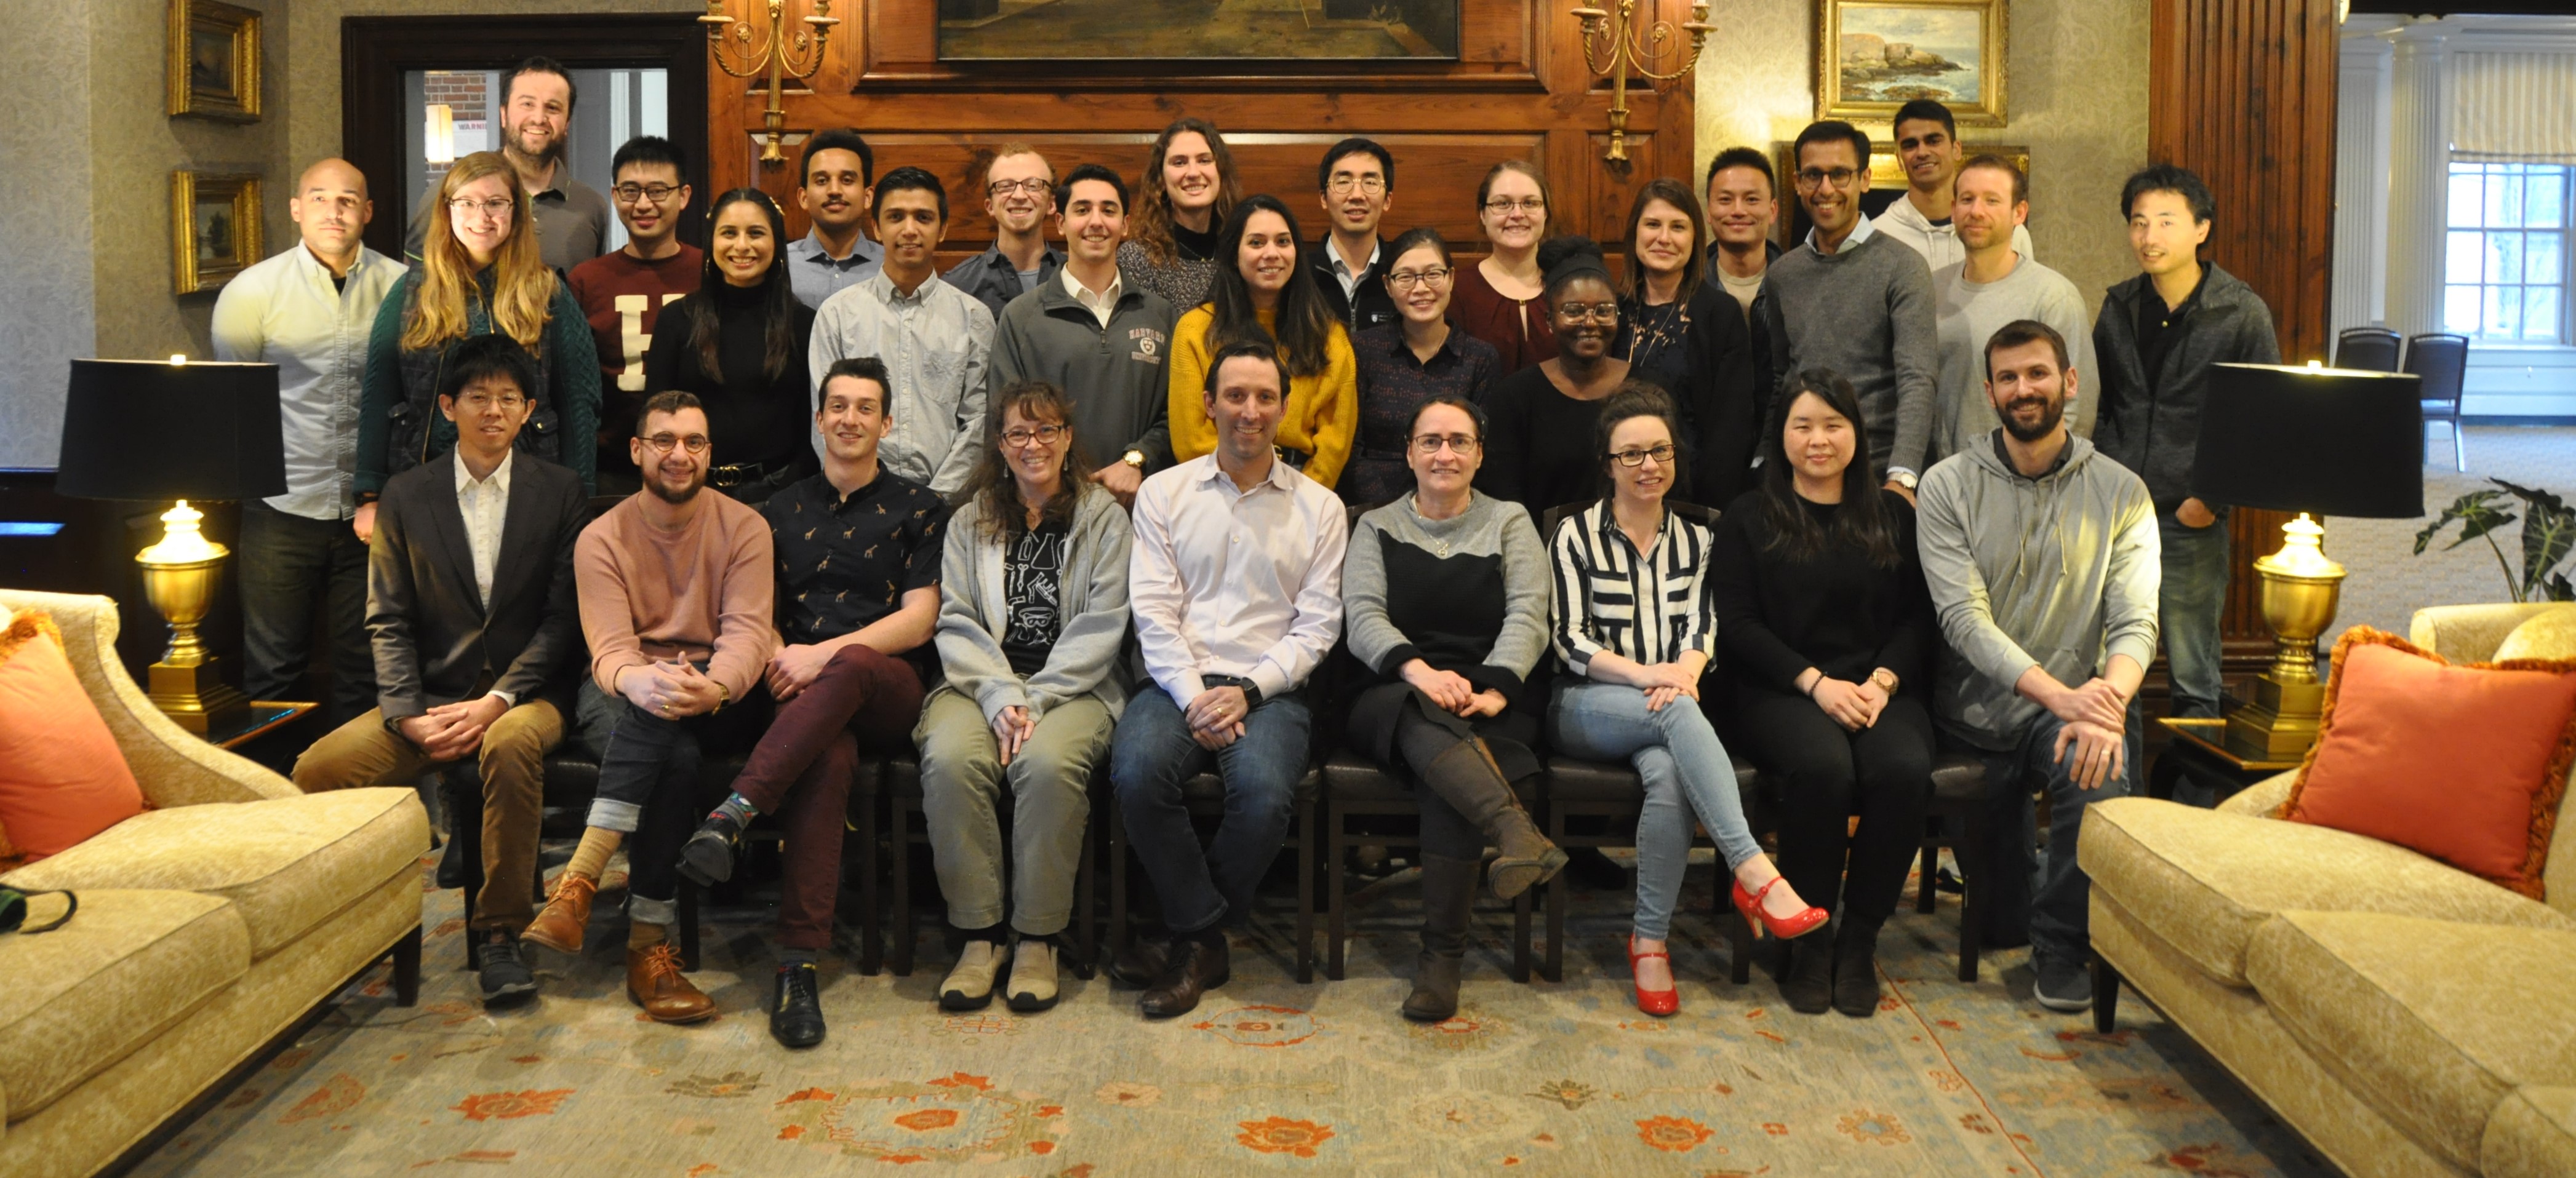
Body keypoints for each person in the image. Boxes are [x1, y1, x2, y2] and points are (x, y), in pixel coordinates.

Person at [288, 335, 587, 1006]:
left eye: (509, 398)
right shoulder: (406, 494)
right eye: (478, 397)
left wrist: (500, 699)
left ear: (529, 409)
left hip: (527, 696)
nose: (494, 410)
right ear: (448, 405)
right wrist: (408, 716)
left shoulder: (561, 491)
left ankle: (502, 935)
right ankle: (342, 929)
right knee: (318, 770)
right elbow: (386, 618)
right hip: (429, 696)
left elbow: (562, 621)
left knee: (508, 748)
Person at [670, 357, 946, 1048]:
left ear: (886, 423)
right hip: (796, 697)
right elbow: (751, 610)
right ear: (819, 418)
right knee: (828, 759)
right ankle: (797, 966)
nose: (849, 419)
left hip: (886, 687)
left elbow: (919, 618)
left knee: (853, 663)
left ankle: (734, 810)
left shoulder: (921, 506)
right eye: (838, 406)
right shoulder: (777, 509)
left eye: (865, 408)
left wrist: (820, 656)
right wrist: (773, 652)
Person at [1546, 385, 1827, 1017]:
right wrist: (1655, 678)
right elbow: (1568, 639)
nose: (1649, 465)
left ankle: (1649, 943)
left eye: (1660, 451)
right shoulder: (1573, 535)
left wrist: (1685, 673)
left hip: (1671, 706)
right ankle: (1754, 871)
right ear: (1608, 463)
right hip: (1587, 705)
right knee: (1676, 712)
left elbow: (1705, 627)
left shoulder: (1701, 537)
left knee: (1671, 773)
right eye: (1632, 454)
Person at [1917, 319, 2159, 1013]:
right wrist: (2063, 698)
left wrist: (2105, 703)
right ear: (1989, 393)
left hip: (2077, 707)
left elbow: (2134, 620)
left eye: (2038, 374)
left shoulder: (2121, 491)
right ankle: (2034, 907)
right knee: (1997, 923)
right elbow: (1963, 621)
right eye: (2009, 378)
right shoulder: (1946, 486)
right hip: (1976, 715)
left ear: (2069, 383)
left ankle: (2065, 946)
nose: (2025, 390)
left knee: (2101, 765)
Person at [521, 391, 777, 1028]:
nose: (679, 454)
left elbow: (747, 633)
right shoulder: (600, 537)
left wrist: (713, 687)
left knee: (671, 729)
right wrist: (642, 682)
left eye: (693, 442)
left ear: (709, 453)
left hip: (716, 686)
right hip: (623, 689)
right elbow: (609, 650)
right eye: (663, 440)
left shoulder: (745, 527)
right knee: (673, 753)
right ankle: (647, 949)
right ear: (636, 450)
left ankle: (578, 882)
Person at [1111, 340, 1349, 1021]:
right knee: (1135, 772)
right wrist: (1194, 696)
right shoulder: (1164, 493)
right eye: (1236, 396)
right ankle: (1205, 934)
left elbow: (1317, 626)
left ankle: (1185, 936)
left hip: (1271, 689)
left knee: (1266, 792)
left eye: (1265, 397)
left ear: (1284, 406)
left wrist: (1246, 692)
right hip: (1173, 681)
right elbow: (1152, 613)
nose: (1251, 411)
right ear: (1209, 405)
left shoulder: (1321, 508)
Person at [1710, 368, 1935, 1019]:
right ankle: (1810, 938)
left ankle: (1859, 939)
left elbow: (1918, 617)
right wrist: (1815, 683)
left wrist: (1882, 681)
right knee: (1822, 767)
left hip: (1877, 686)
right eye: (1802, 424)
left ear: (1856, 434)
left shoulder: (1892, 513)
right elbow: (1738, 623)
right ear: (1780, 436)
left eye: (1833, 424)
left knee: (1902, 768)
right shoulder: (1749, 516)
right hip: (1780, 688)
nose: (1818, 439)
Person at [1342, 396, 1562, 1022]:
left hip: (1490, 692)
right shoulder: (1376, 525)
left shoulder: (1509, 520)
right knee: (1427, 720)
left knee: (1450, 767)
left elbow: (1528, 611)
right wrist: (1419, 672)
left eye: (1459, 441)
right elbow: (1362, 616)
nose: (1445, 453)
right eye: (1431, 441)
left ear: (1479, 454)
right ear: (1408, 453)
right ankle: (1511, 831)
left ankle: (1440, 958)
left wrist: (1495, 686)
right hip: (1391, 689)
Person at [916, 380, 1130, 1014]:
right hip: (977, 682)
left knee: (1045, 762)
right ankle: (979, 936)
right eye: (1017, 432)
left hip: (1075, 686)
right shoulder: (969, 519)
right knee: (952, 757)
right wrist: (999, 693)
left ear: (1067, 439)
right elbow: (955, 620)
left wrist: (1034, 700)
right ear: (1000, 444)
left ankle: (1038, 936)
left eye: (1045, 431)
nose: (1032, 444)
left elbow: (1103, 624)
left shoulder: (1102, 519)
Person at [212, 157, 407, 723]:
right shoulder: (252, 292)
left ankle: (353, 802)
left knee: (365, 668)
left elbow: (415, 397)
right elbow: (234, 404)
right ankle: (276, 798)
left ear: (367, 212)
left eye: (348, 199)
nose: (335, 210)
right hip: (281, 505)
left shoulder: (403, 287)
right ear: (296, 209)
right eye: (320, 198)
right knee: (273, 667)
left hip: (374, 511)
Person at [2091, 164, 2279, 731]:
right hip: (2116, 512)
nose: (2150, 236)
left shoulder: (2240, 311)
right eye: (2139, 223)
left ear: (2201, 228)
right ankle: (2121, 799)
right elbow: (2101, 403)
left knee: (2194, 673)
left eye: (2166, 222)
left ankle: (2195, 809)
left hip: (2188, 514)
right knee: (2110, 669)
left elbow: (2261, 418)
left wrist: (2212, 499)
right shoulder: (2119, 306)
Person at [359, 150, 602, 538]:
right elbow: (378, 396)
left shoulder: (547, 292)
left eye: (495, 203)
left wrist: (579, 498)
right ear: (447, 209)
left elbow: (579, 404)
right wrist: (369, 496)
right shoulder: (411, 292)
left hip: (529, 487)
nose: (481, 216)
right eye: (467, 203)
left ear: (516, 211)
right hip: (425, 484)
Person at [1765, 121, 1938, 501]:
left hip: (1878, 478)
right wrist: (1767, 460)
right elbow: (1782, 378)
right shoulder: (1782, 275)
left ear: (1864, 179)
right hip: (1801, 477)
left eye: (1840, 174)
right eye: (1813, 175)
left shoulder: (1903, 267)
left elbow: (1917, 378)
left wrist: (1904, 477)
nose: (1826, 188)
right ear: (1797, 182)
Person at [986, 164, 1175, 509]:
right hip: (1048, 510)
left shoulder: (1160, 315)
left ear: (1126, 225)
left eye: (1109, 210)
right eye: (1082, 209)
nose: (1096, 222)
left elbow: (1175, 413)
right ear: (1060, 223)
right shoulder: (1021, 316)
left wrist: (1138, 458)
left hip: (1140, 508)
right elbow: (1006, 420)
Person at [809, 167, 994, 495]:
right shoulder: (838, 314)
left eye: (923, 218)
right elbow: (824, 417)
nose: (910, 230)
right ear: (877, 228)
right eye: (896, 217)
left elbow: (979, 423)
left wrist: (938, 499)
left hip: (948, 505)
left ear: (943, 229)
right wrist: (861, 492)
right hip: (857, 501)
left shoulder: (973, 318)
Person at [1166, 195, 1359, 490]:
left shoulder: (1328, 334)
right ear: (1234, 253)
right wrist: (1244, 492)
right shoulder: (1196, 329)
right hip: (1217, 490)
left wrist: (1297, 500)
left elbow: (1335, 441)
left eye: (1283, 242)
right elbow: (1191, 440)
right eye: (1257, 243)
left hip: (1302, 493)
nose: (1272, 253)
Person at [644, 188, 817, 504]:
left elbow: (813, 428)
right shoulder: (676, 319)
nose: (742, 246)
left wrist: (788, 495)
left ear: (777, 243)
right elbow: (656, 419)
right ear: (711, 243)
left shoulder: (805, 323)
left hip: (780, 496)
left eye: (756, 234)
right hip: (691, 491)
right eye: (728, 233)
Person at [1930, 155, 2097, 464]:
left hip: (2024, 479)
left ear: (2019, 213)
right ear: (1953, 210)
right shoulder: (1932, 289)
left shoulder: (2053, 296)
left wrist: (2042, 476)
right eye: (1967, 200)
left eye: (1992, 200)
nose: (1976, 211)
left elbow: (2078, 404)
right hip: (1942, 478)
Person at [1618, 177, 1761, 508]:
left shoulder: (1720, 314)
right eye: (1653, 224)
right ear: (1635, 233)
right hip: (1619, 490)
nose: (1664, 238)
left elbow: (1731, 427)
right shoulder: (1613, 310)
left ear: (1695, 237)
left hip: (1695, 495)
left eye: (1678, 227)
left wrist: (1707, 510)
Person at [568, 135, 701, 490]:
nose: (643, 204)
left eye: (658, 191)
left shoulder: (710, 272)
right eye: (630, 191)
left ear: (683, 196)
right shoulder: (586, 279)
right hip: (611, 466)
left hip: (695, 464)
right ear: (614, 197)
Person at [1340, 228, 1499, 506]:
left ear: (1451, 278)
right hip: (1375, 511)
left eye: (1433, 274)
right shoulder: (1362, 350)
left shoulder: (1480, 358)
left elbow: (1482, 452)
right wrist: (1394, 514)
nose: (1421, 288)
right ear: (1388, 285)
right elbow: (1352, 448)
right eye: (1406, 277)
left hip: (1455, 508)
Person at [404, 57, 607, 274]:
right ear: (504, 114)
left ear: (566, 123)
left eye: (553, 108)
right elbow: (414, 282)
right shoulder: (452, 192)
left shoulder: (591, 207)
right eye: (527, 104)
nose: (539, 118)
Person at [1477, 236, 1633, 517]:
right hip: (1540, 552)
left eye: (1603, 311)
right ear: (1549, 320)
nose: (1589, 322)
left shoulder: (1645, 389)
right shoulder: (1515, 397)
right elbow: (1505, 500)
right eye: (1573, 311)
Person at [1874, 100, 2036, 273]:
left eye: (1934, 141)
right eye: (1910, 145)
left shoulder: (2007, 230)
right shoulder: (1878, 236)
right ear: (1899, 159)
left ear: (1956, 150)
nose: (1922, 152)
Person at [1705, 146, 1793, 425]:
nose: (1738, 211)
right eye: (1725, 200)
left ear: (1773, 210)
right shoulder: (1690, 288)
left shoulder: (1799, 284)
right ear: (1709, 210)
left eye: (1752, 199)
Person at [1118, 117, 1242, 312]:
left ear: (1221, 172)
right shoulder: (1138, 259)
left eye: (1204, 160)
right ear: (1161, 180)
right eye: (1179, 162)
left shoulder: (1241, 252)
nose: (1193, 173)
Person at [1450, 161, 1556, 373]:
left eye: (1530, 203)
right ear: (1483, 214)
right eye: (1502, 204)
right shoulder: (1457, 290)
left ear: (1545, 213)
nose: (1517, 214)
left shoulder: (1569, 285)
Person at [945, 145, 1063, 321]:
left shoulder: (1076, 278)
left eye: (1032, 185)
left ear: (1052, 204)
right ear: (990, 206)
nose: (1019, 195)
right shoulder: (957, 287)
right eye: (1005, 186)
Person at [1308, 137, 1399, 337]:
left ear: (1387, 200)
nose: (1357, 195)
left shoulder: (1402, 275)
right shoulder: (1300, 275)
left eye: (1370, 182)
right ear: (1324, 198)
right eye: (1343, 182)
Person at [785, 128, 882, 309]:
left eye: (847, 180)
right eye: (822, 181)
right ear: (803, 198)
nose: (834, 191)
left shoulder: (892, 267)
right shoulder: (780, 266)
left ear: (868, 197)